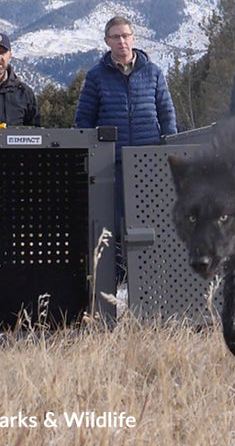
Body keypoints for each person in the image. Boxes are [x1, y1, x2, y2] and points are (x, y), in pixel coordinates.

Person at [75, 16, 177, 281]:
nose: (121, 41)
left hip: (149, 162)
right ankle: (118, 281)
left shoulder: (153, 72)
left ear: (133, 38)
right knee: (117, 224)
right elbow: (84, 120)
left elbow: (166, 114)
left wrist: (170, 150)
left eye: (125, 36)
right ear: (107, 41)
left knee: (152, 222)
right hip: (114, 164)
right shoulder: (96, 76)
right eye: (115, 37)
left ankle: (153, 278)